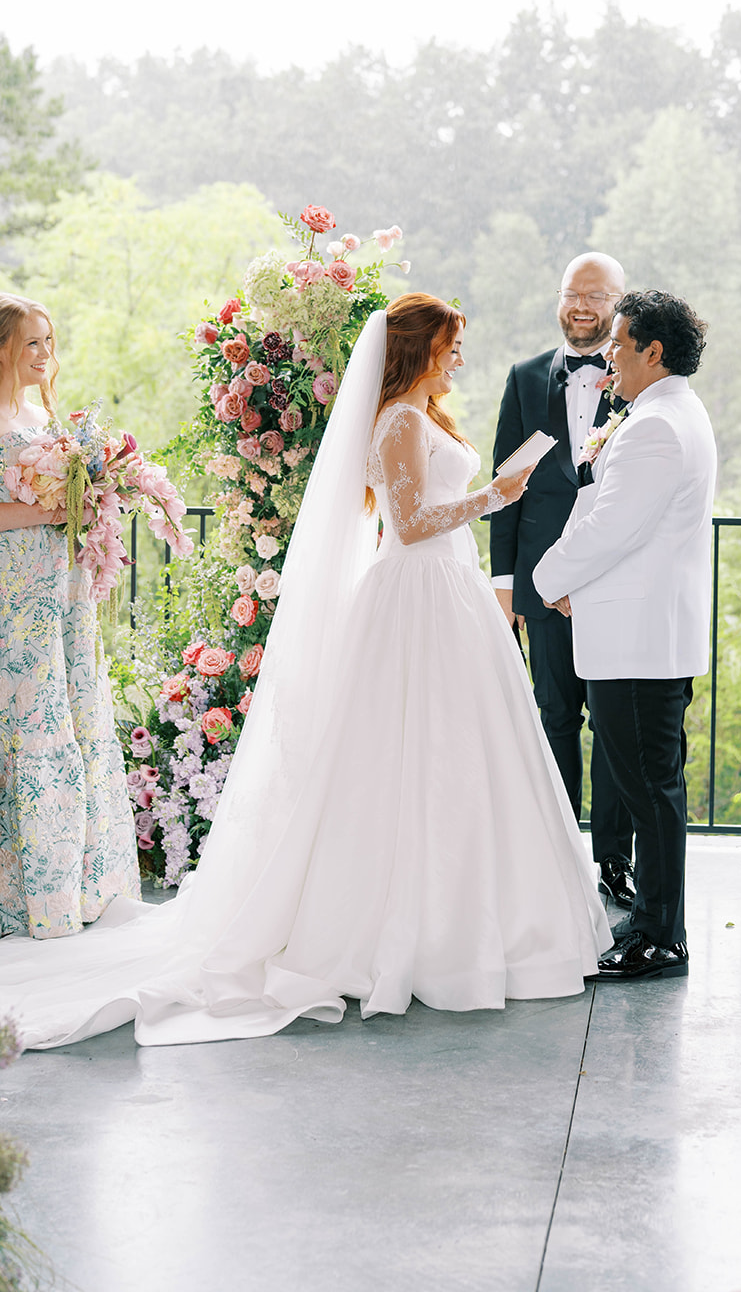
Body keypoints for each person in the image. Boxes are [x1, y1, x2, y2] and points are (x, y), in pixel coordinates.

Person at [0, 295, 610, 1046]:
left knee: (461, 755)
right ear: (418, 350)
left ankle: (474, 921)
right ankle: (408, 930)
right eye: (450, 345)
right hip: (417, 595)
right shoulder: (397, 422)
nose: (459, 357)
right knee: (409, 756)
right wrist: (494, 496)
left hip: (450, 592)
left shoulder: (423, 416)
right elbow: (410, 524)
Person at [533, 291, 716, 982]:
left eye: (618, 342)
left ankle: (658, 937)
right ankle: (656, 927)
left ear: (653, 351)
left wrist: (548, 578)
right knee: (653, 788)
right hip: (642, 634)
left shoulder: (654, 426)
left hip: (637, 639)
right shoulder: (668, 413)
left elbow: (613, 527)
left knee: (649, 793)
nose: (608, 354)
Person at [491, 253, 636, 909]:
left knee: (612, 724)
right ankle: (554, 856)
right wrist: (505, 585)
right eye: (572, 293)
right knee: (553, 718)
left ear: (618, 303)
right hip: (540, 585)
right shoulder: (525, 379)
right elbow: (506, 487)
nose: (581, 306)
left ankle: (614, 861)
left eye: (596, 296)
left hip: (611, 583)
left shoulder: (637, 379)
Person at [0, 294, 140, 939]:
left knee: (69, 707)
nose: (45, 353)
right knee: (27, 713)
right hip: (14, 587)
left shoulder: (44, 414)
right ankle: (23, 893)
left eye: (48, 341)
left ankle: (73, 885)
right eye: (32, 342)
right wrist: (49, 510)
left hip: (61, 585)